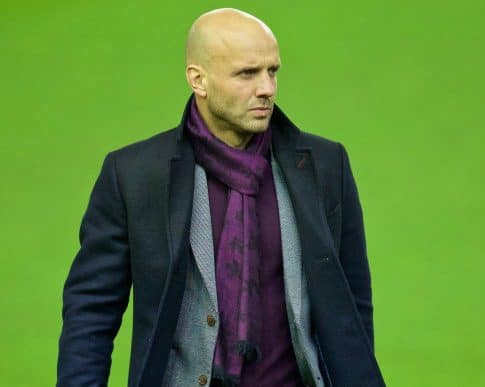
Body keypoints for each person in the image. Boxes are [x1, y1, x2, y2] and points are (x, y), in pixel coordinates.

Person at [57, 8, 385, 387]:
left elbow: (353, 306)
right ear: (199, 80)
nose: (267, 88)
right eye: (247, 73)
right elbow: (90, 312)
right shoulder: (134, 175)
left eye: (272, 71)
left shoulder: (325, 166)